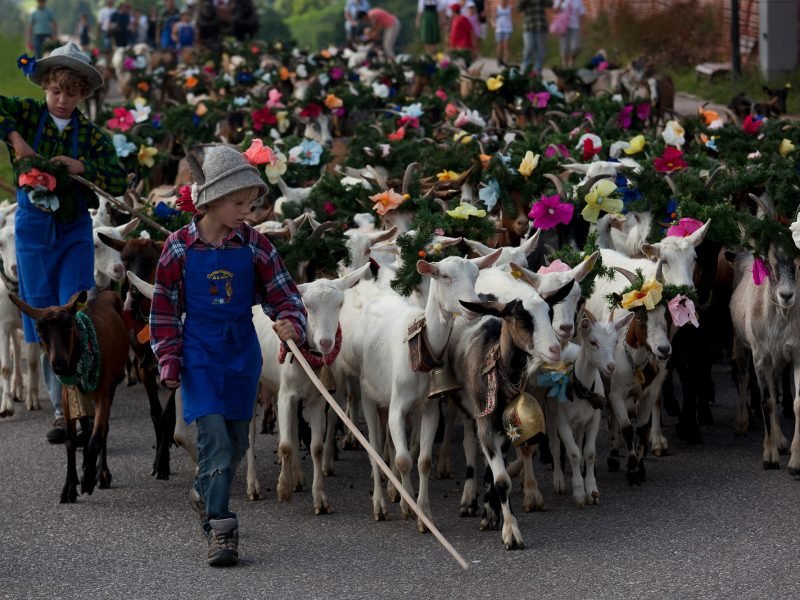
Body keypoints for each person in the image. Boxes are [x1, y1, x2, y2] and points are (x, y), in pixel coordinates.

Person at [150, 145, 307, 567]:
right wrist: (168, 359)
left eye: (251, 204)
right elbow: (163, 308)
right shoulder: (179, 249)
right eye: (239, 203)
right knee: (215, 440)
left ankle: (205, 490)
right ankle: (221, 529)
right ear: (211, 201)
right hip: (198, 353)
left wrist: (291, 321)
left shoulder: (256, 245)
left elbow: (284, 294)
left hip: (242, 353)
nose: (247, 212)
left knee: (237, 442)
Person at [0, 42, 127, 443]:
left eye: (71, 94)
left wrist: (82, 166)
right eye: (56, 91)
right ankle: (61, 410)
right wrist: (18, 142)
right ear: (45, 88)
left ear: (83, 95)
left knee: (75, 307)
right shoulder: (27, 113)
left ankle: (82, 404)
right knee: (41, 311)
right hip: (33, 230)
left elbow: (118, 179)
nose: (61, 100)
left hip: (73, 229)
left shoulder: (90, 135)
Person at [518, 0, 551, 75]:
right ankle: (526, 69)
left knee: (541, 50)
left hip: (541, 25)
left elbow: (550, 4)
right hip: (529, 26)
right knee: (529, 47)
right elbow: (518, 8)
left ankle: (537, 70)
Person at [553, 0, 585, 68]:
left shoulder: (578, 1)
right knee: (564, 49)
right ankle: (565, 65)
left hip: (575, 26)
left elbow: (582, 13)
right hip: (563, 26)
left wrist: (583, 26)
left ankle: (572, 61)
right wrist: (560, 3)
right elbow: (555, 11)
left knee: (576, 47)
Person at [491, 0, 512, 65]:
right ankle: (499, 59)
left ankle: (506, 61)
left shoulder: (509, 8)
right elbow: (492, 18)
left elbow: (512, 17)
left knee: (506, 46)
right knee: (499, 46)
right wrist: (493, 24)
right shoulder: (497, 8)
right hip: (499, 29)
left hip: (508, 29)